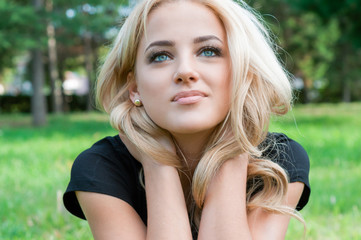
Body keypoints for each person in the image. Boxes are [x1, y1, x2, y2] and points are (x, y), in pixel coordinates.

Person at [63, 0, 310, 239]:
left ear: (243, 71)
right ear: (134, 87)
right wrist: (157, 162)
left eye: (208, 51)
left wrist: (231, 152)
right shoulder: (100, 168)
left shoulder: (279, 162)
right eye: (161, 56)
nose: (185, 71)